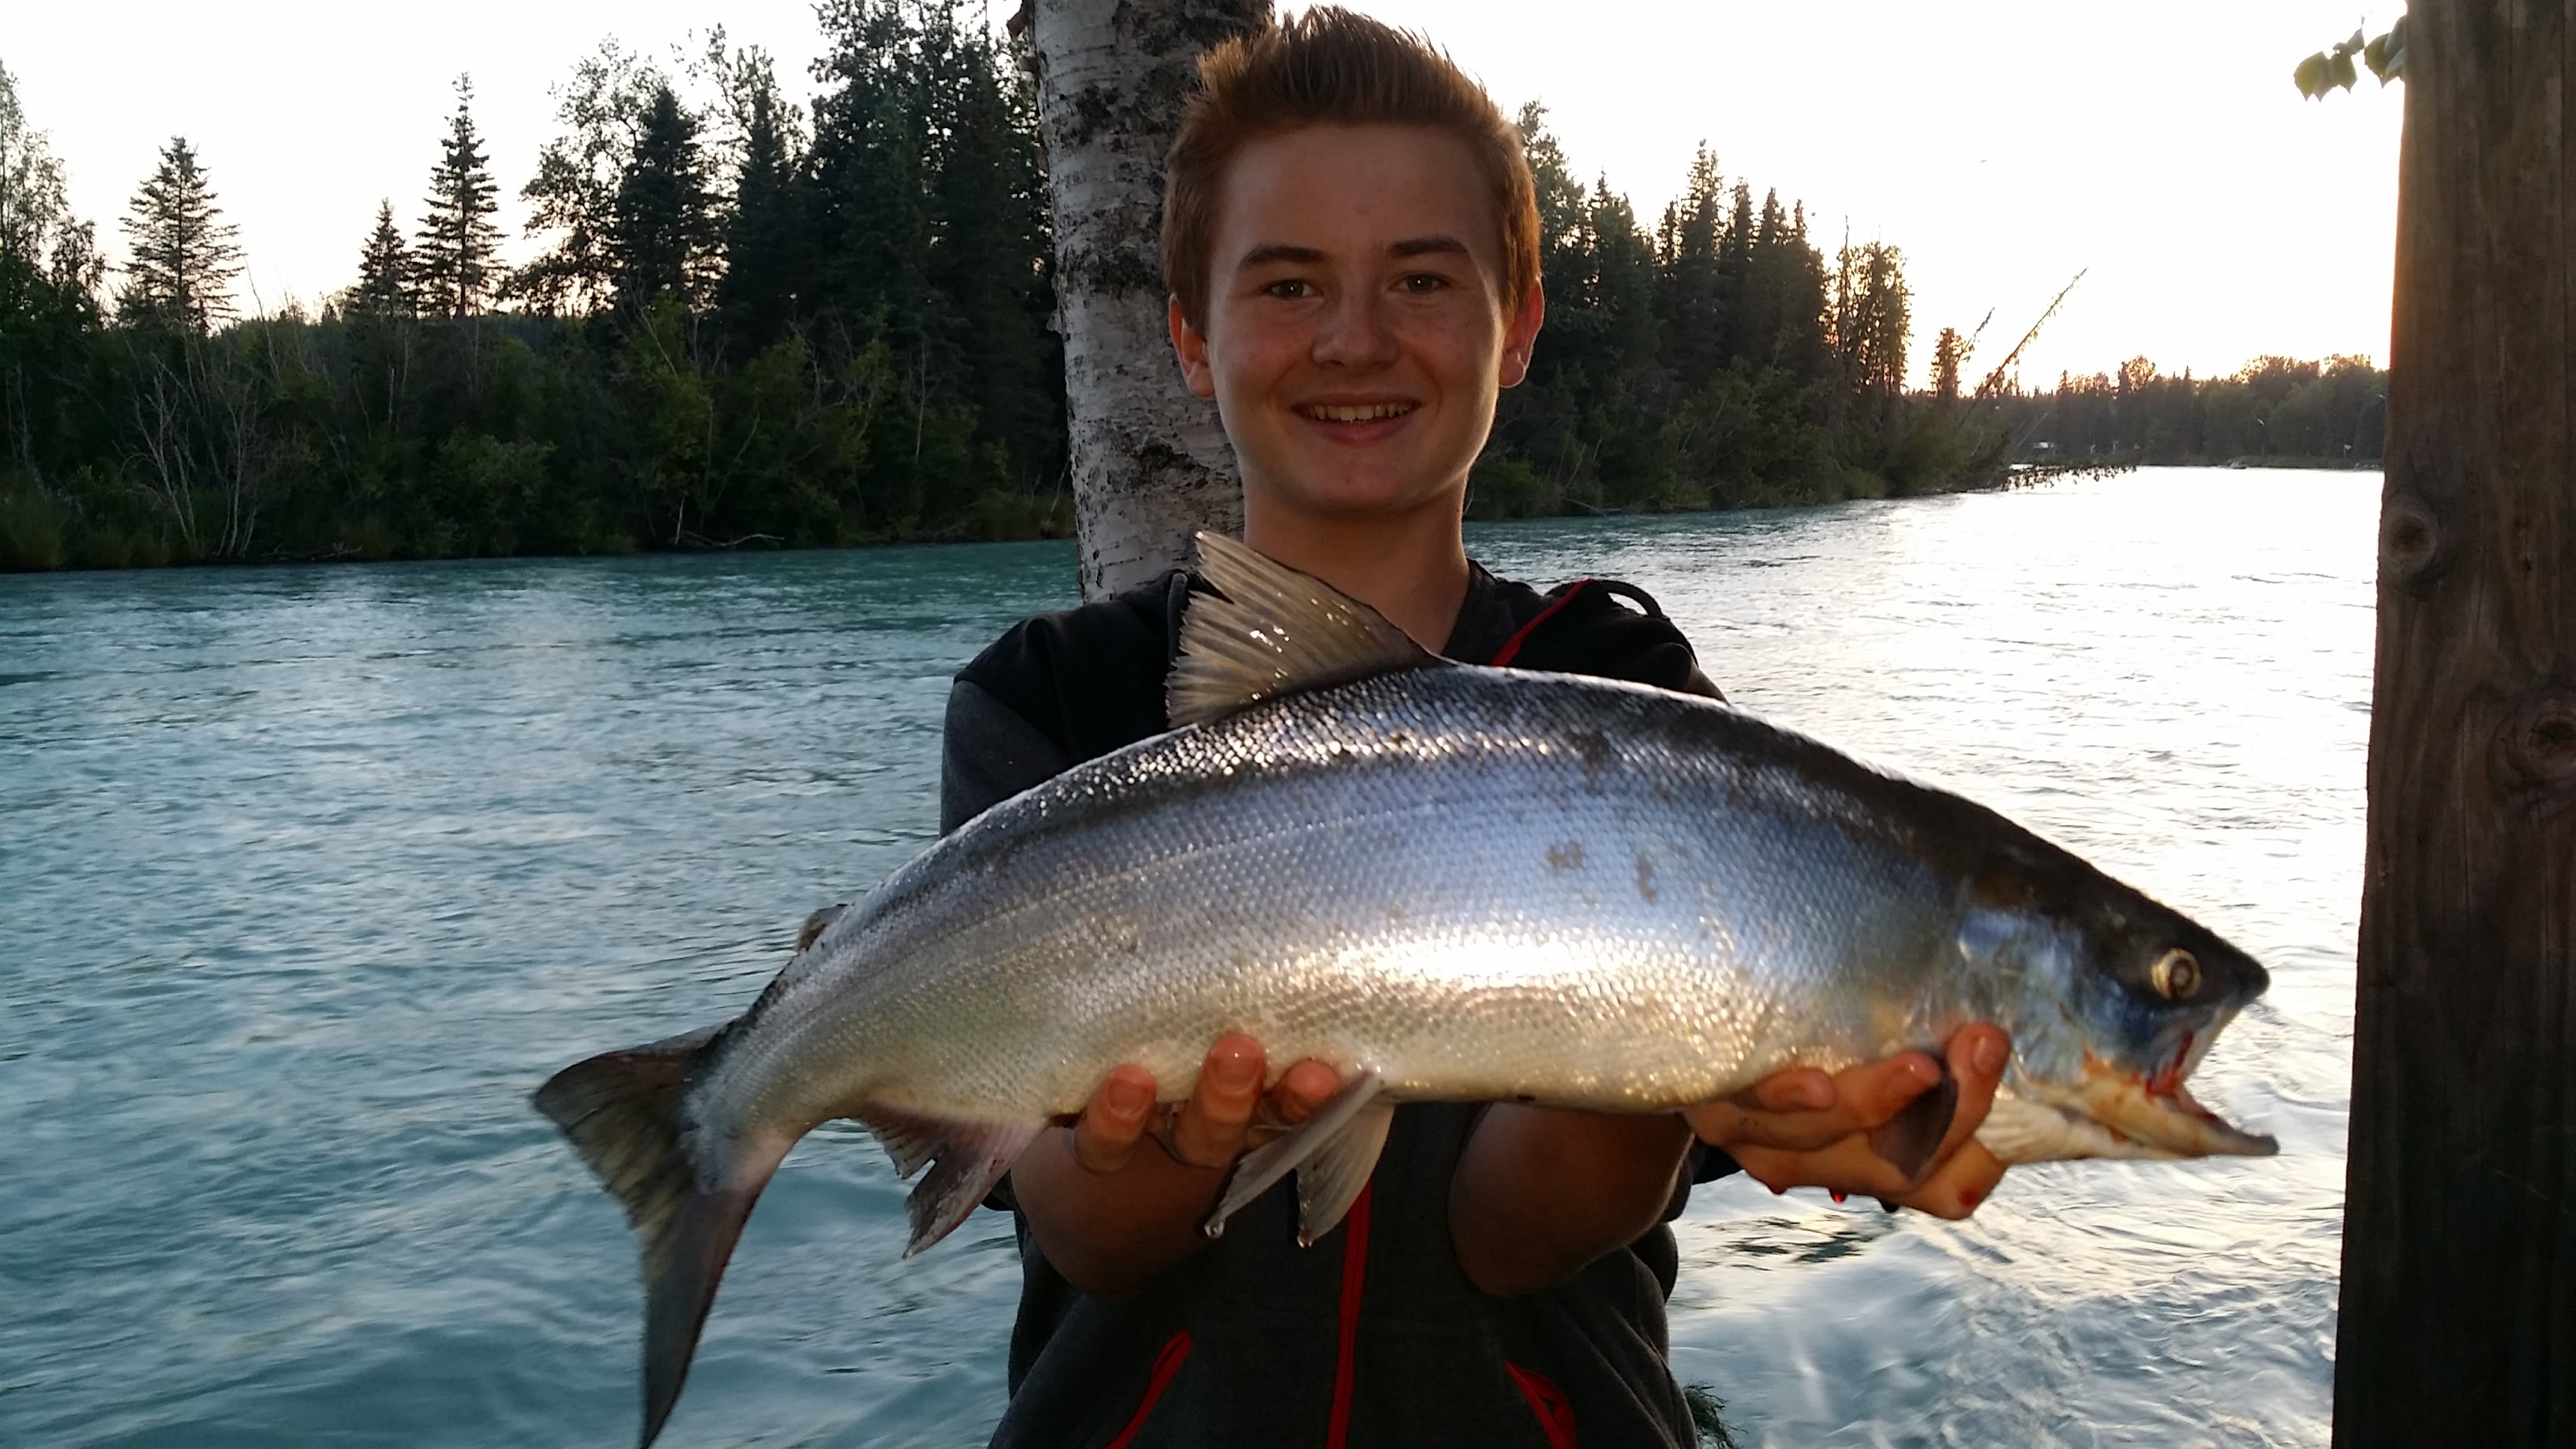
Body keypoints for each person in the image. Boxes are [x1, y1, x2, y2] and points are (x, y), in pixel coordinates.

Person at [939, 12, 2010, 1446]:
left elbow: (1512, 1239)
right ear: (1191, 337)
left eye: (1423, 277)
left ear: (1519, 325)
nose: (1355, 337)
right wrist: (1175, 1145)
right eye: (1289, 281)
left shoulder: (1632, 702)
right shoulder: (1048, 700)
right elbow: (1093, 1242)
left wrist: (1682, 1067)